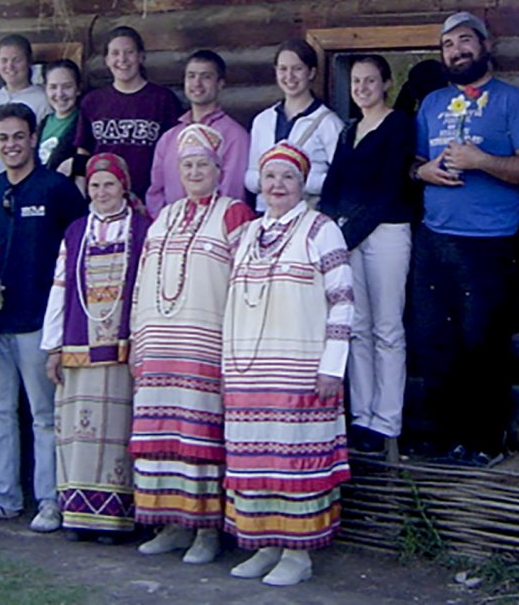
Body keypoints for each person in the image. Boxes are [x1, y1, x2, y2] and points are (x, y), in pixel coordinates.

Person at [406, 12, 519, 466]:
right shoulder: (430, 104)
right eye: (447, 45)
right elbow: (413, 163)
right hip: (433, 239)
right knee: (433, 342)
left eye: (464, 41)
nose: (456, 51)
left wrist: (482, 160)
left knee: (482, 343)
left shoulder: (514, 103)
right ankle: (446, 437)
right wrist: (420, 171)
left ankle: (486, 442)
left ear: (485, 46)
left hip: (488, 242)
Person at [223, 142, 353, 587]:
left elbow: (342, 302)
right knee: (255, 461)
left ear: (302, 186)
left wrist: (332, 366)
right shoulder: (244, 236)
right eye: (271, 178)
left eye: (288, 178)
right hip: (248, 372)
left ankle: (298, 555)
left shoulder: (321, 230)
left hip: (299, 369)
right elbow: (231, 305)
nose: (278, 186)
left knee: (292, 462)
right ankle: (265, 545)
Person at [130, 124, 255, 565]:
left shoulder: (234, 213)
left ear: (220, 171)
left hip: (205, 344)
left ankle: (205, 530)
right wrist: (137, 338)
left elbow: (247, 284)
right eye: (188, 165)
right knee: (162, 434)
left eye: (203, 164)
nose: (195, 171)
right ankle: (170, 523)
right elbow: (143, 280)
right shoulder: (164, 216)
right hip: (159, 345)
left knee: (199, 437)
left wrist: (237, 346)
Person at [0, 103, 86, 530]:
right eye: (3, 138)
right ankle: (0, 497)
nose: (11, 145)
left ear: (34, 138)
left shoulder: (56, 189)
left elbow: (79, 247)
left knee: (45, 417)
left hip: (39, 322)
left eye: (18, 136)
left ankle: (51, 501)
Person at [41, 154, 150, 540]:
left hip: (122, 349)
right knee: (77, 434)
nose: (102, 192)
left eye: (109, 184)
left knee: (117, 435)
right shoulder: (75, 232)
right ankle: (78, 515)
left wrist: (141, 338)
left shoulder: (143, 228)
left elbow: (147, 289)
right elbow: (59, 288)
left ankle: (116, 520)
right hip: (78, 347)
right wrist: (53, 346)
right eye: (95, 185)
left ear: (123, 186)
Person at [319, 55, 414, 456]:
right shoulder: (349, 130)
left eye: (370, 81)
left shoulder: (399, 125)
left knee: (387, 328)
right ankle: (362, 417)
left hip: (386, 231)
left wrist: (347, 234)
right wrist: (325, 230)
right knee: (356, 325)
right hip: (348, 235)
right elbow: (332, 186)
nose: (361, 88)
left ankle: (387, 419)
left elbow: (391, 187)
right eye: (356, 81)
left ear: (387, 84)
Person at [74, 26, 182, 200]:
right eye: (115, 53)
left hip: (149, 198)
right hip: (104, 199)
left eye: (129, 52)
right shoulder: (92, 101)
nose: (122, 59)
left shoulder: (163, 100)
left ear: (141, 56)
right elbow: (83, 152)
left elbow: (174, 154)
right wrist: (80, 194)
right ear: (107, 59)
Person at [146, 49, 250, 217]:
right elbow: (156, 191)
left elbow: (231, 192)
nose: (197, 83)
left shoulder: (234, 136)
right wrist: (163, 225)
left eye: (206, 77)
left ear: (220, 83)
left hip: (214, 232)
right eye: (191, 76)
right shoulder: (169, 138)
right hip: (171, 230)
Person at [245, 40, 343, 211]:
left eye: (297, 69)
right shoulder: (263, 120)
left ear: (311, 73)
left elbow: (339, 180)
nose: (289, 76)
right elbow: (250, 176)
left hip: (306, 216)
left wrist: (295, 181)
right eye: (283, 69)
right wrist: (270, 182)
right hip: (265, 216)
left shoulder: (328, 123)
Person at [0, 34, 50, 181]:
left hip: (27, 182)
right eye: (4, 60)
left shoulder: (43, 100)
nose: (10, 67)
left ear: (28, 62)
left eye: (16, 60)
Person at [37, 59, 82, 172]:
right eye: (53, 87)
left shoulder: (84, 122)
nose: (60, 94)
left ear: (78, 88)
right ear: (44, 89)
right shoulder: (44, 123)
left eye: (67, 86)